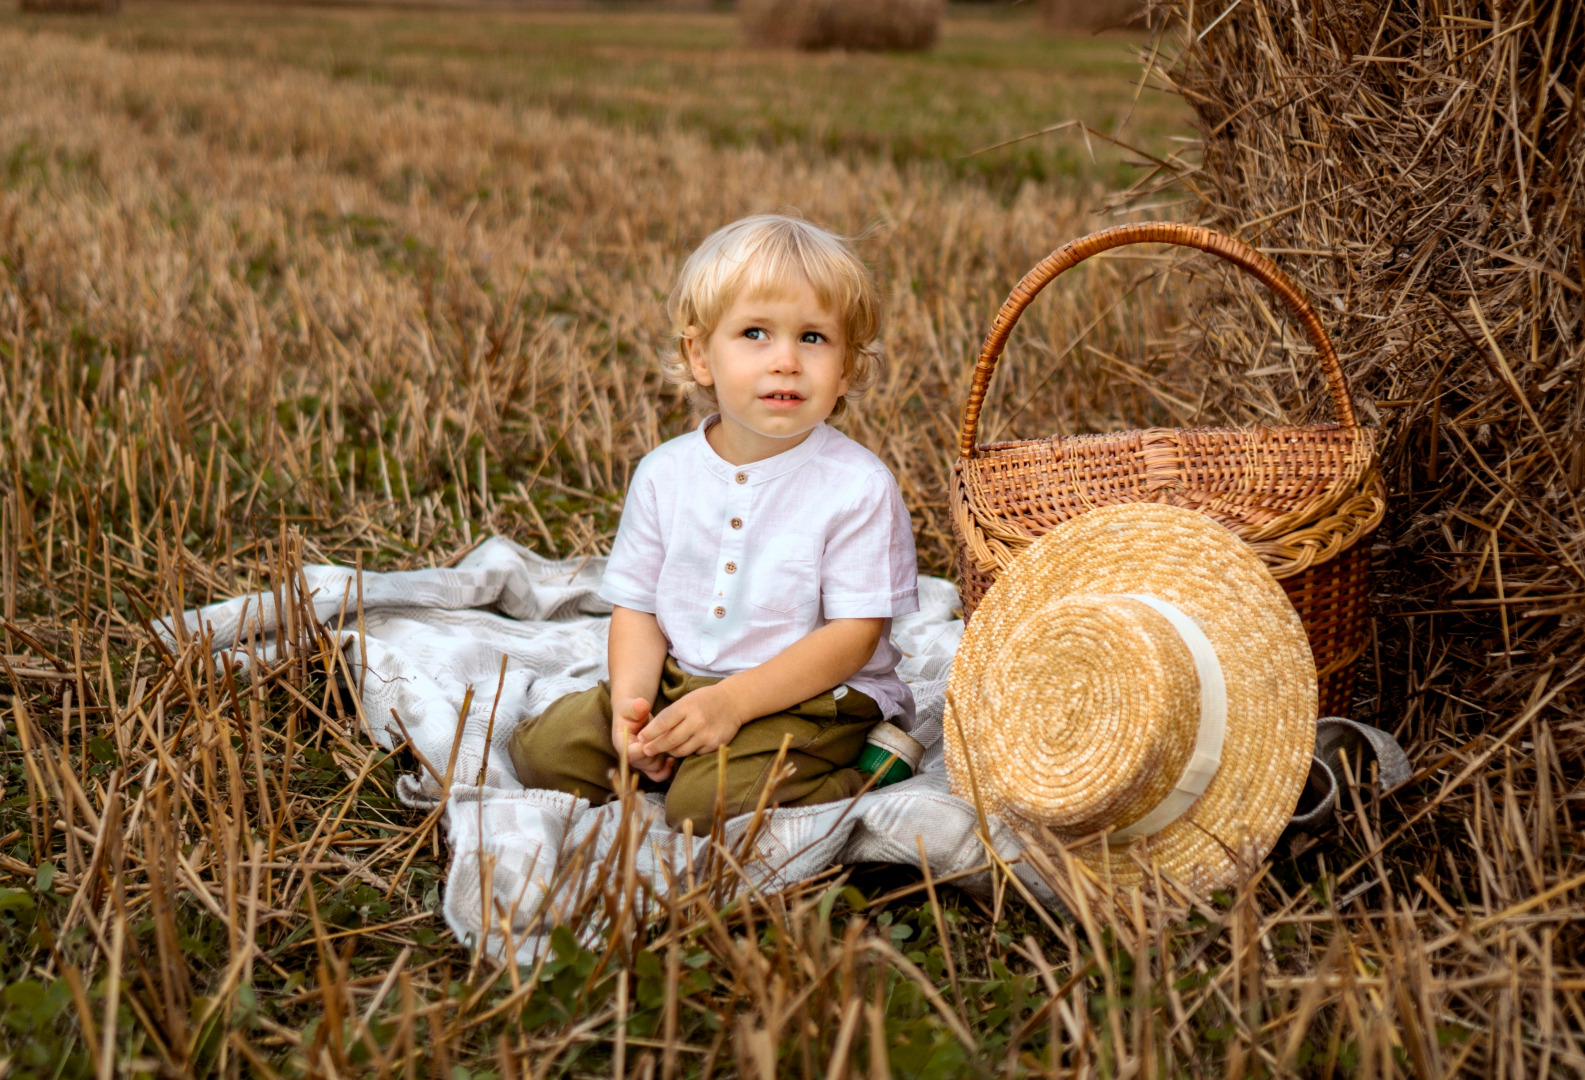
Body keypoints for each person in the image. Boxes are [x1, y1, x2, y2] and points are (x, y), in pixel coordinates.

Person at [508, 214, 924, 832]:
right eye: (755, 333)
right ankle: (672, 749)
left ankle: (869, 768)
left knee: (702, 808)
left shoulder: (857, 485)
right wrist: (632, 706)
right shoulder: (665, 474)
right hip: (686, 678)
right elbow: (641, 609)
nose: (785, 360)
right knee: (543, 753)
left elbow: (854, 637)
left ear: (845, 369)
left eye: (813, 338)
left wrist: (732, 703)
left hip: (815, 698)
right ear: (700, 355)